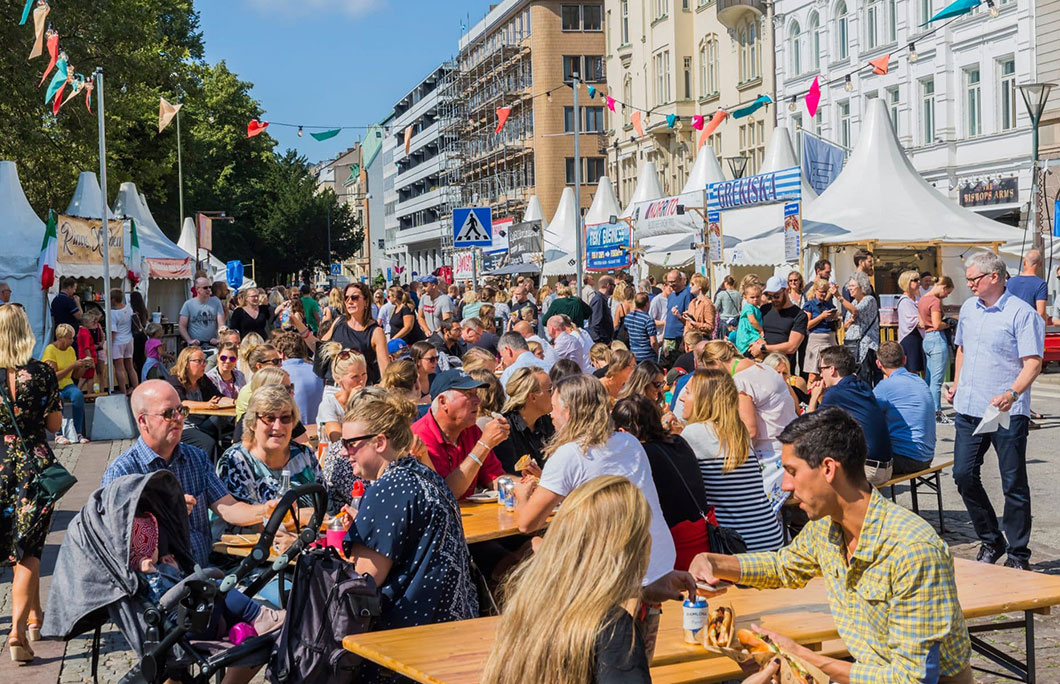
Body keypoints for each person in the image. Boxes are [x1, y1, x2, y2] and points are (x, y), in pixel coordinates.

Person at [691, 408, 973, 682]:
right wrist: (715, 562)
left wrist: (807, 659)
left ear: (828, 468)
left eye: (792, 471)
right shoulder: (826, 527)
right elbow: (783, 566)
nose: (786, 485)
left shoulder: (912, 550)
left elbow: (912, 679)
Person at [340, 387, 478, 683]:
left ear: (379, 442)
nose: (343, 452)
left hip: (407, 645)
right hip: (453, 632)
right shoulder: (424, 475)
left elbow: (363, 581)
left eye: (350, 444)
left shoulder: (389, 487)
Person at [513, 374, 678, 587]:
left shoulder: (568, 454)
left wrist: (521, 497)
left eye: (554, 407)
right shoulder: (630, 442)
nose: (551, 414)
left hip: (613, 575)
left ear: (570, 412)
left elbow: (527, 524)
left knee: (533, 545)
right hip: (659, 560)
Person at [102, 381, 281, 574]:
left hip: (203, 571)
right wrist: (165, 513)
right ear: (143, 421)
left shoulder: (195, 457)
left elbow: (228, 508)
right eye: (168, 413)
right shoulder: (123, 472)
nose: (178, 418)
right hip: (157, 584)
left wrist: (267, 509)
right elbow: (115, 543)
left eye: (182, 410)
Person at [946, 252, 1044, 570]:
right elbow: (961, 349)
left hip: (1006, 410)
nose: (970, 284)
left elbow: (1033, 363)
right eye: (969, 279)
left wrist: (1013, 393)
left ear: (995, 277)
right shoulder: (970, 310)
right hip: (971, 406)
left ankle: (1018, 553)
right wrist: (957, 383)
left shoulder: (1021, 313)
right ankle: (991, 538)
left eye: (974, 278)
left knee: (1012, 481)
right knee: (962, 474)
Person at [0, 304, 63, 662]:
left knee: (19, 546)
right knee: (29, 551)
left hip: (0, 464)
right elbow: (55, 425)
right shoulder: (41, 373)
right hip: (33, 468)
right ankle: (17, 631)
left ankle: (36, 618)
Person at [681, 368, 785, 552]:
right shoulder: (740, 432)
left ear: (702, 399)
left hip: (736, 545)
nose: (681, 398)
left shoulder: (692, 434)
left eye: (688, 392)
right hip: (770, 537)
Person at [693, 340, 797, 511]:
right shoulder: (764, 368)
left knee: (742, 500)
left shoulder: (740, 382)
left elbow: (750, 431)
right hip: (789, 444)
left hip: (773, 455)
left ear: (717, 363)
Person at [613, 395, 709, 570]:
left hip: (672, 550)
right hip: (703, 540)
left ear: (622, 432)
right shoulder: (679, 441)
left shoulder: (641, 455)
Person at [214, 384, 321, 539]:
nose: (277, 426)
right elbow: (248, 525)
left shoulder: (304, 455)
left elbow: (325, 507)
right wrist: (301, 518)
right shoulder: (236, 461)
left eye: (285, 418)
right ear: (252, 423)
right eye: (269, 418)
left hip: (305, 546)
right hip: (251, 555)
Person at [411, 369, 510, 500]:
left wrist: (529, 487)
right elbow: (445, 494)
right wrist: (484, 445)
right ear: (443, 402)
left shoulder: (471, 430)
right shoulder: (420, 436)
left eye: (476, 394)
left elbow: (494, 477)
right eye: (469, 394)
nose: (478, 400)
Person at [808, 346, 893, 485]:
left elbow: (809, 427)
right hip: (885, 466)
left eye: (821, 369)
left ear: (832, 369)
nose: (821, 374)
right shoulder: (862, 385)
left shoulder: (835, 392)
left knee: (815, 465)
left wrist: (814, 396)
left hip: (868, 470)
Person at [874, 341, 936, 475]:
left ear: (878, 364)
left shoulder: (884, 387)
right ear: (905, 359)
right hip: (927, 456)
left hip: (905, 458)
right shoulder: (919, 380)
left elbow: (867, 416)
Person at [168, 346, 235, 459]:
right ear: (186, 363)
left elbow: (218, 397)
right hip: (183, 427)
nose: (204, 364)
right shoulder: (175, 381)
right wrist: (207, 405)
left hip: (202, 424)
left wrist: (235, 402)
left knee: (230, 431)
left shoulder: (202, 379)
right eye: (199, 361)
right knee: (208, 443)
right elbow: (181, 403)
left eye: (205, 361)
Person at [318, 282, 389, 385]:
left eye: (354, 298)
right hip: (334, 387)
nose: (349, 301)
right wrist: (301, 328)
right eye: (346, 298)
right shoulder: (339, 321)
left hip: (359, 391)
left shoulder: (375, 331)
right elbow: (320, 347)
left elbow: (385, 370)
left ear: (366, 302)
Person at [493, 367, 553, 474]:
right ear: (532, 397)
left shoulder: (548, 423)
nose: (554, 394)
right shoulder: (505, 430)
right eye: (550, 390)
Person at [41, 324, 92, 444]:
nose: (72, 340)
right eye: (69, 338)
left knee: (78, 395)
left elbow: (75, 376)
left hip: (67, 384)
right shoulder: (50, 350)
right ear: (60, 338)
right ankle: (58, 433)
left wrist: (84, 366)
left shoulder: (71, 350)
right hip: (54, 385)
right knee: (59, 398)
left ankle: (78, 432)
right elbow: (54, 376)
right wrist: (72, 366)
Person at [750, 276, 808, 373]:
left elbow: (792, 347)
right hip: (761, 365)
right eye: (770, 296)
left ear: (787, 290)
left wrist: (763, 348)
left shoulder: (799, 315)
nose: (773, 299)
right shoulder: (765, 309)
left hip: (782, 369)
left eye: (776, 296)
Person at [919, 275, 955, 424]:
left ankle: (927, 410)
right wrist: (948, 323)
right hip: (936, 338)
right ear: (943, 287)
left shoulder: (922, 300)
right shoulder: (935, 301)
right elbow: (936, 323)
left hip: (926, 338)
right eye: (947, 292)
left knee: (928, 378)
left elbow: (921, 323)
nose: (946, 295)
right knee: (937, 381)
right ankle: (937, 413)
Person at [273, 332, 322, 426]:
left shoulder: (278, 374)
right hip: (318, 428)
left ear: (282, 355)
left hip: (292, 431)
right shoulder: (317, 371)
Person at [839, 272, 880, 384]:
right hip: (853, 345)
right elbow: (846, 325)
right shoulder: (853, 302)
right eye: (849, 286)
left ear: (862, 287)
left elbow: (855, 310)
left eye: (853, 286)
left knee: (864, 377)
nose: (850, 289)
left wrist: (838, 297)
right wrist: (850, 321)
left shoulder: (869, 300)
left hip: (865, 346)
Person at [802, 278, 840, 384]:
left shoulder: (830, 306)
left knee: (831, 373)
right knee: (814, 375)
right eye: (821, 292)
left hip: (830, 340)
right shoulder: (809, 305)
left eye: (825, 292)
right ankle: (811, 398)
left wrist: (837, 319)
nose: (823, 295)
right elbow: (807, 325)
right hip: (816, 341)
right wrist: (822, 316)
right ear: (815, 291)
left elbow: (838, 327)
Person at [234, 343, 282, 419]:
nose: (280, 365)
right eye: (275, 361)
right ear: (259, 366)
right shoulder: (250, 392)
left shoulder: (275, 387)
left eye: (280, 361)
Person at [179, 277, 226, 348]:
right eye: (205, 288)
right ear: (197, 289)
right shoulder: (188, 304)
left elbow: (221, 324)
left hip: (212, 344)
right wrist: (189, 340)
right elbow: (182, 326)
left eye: (210, 287)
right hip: (195, 345)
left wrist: (219, 339)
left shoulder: (216, 302)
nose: (209, 290)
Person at [107, 289, 137, 396]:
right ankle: (136, 388)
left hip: (118, 342)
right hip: (129, 339)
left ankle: (123, 391)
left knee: (119, 368)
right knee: (130, 367)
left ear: (113, 300)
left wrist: (109, 345)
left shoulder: (112, 313)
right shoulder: (129, 308)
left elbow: (113, 331)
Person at [1006, 249, 1049, 321]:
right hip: (1029, 325)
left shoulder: (1010, 282)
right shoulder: (1041, 284)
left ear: (1024, 262)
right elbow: (1041, 313)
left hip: (1011, 324)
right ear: (1040, 264)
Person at [896, 270, 924, 375]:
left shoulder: (917, 299)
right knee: (912, 369)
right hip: (910, 337)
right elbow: (916, 322)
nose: (919, 282)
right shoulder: (904, 301)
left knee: (922, 367)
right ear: (907, 282)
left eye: (918, 280)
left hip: (919, 337)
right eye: (915, 280)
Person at [662, 270, 692, 364]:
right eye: (669, 282)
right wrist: (663, 335)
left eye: (673, 282)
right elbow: (668, 316)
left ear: (680, 280)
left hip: (678, 337)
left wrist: (684, 341)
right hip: (668, 337)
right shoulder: (671, 296)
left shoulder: (687, 295)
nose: (670, 284)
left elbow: (688, 319)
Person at [625, 293, 659, 363]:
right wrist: (657, 352)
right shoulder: (648, 320)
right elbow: (653, 342)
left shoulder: (628, 317)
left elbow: (627, 334)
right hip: (647, 356)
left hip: (634, 355)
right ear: (647, 303)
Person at [75, 309, 104, 392]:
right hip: (88, 358)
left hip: (83, 356)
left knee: (84, 377)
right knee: (89, 378)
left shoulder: (81, 331)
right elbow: (87, 348)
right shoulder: (86, 333)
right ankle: (88, 393)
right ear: (86, 323)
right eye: (92, 323)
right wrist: (91, 360)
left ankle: (81, 392)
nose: (94, 325)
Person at [733, 280, 765, 355]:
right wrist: (761, 329)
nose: (755, 299)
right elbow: (752, 321)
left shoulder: (756, 308)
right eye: (752, 297)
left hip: (753, 334)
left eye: (757, 297)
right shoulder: (748, 307)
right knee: (764, 346)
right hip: (748, 335)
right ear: (745, 297)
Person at [685, 274, 717, 339]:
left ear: (700, 286)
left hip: (702, 338)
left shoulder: (707, 303)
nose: (690, 286)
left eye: (693, 284)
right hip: (691, 338)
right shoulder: (692, 302)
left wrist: (695, 323)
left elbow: (710, 326)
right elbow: (687, 324)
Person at [587, 275, 615, 344]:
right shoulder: (599, 300)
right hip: (601, 342)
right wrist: (602, 341)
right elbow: (596, 324)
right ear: (608, 285)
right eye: (614, 285)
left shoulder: (602, 299)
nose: (614, 288)